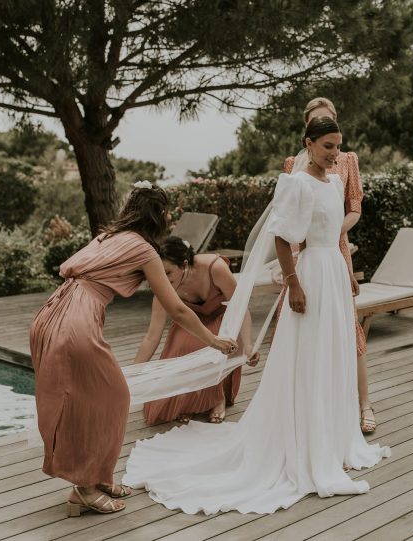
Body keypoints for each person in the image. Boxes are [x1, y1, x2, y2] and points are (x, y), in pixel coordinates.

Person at [123, 117, 390, 515]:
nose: (335, 154)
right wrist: (294, 283)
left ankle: (334, 442)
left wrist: (347, 274)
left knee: (334, 355)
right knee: (308, 356)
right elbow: (283, 238)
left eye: (338, 146)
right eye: (328, 146)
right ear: (309, 144)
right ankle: (305, 444)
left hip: (334, 272)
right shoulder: (296, 183)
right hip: (311, 274)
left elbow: (338, 236)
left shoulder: (335, 183)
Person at [29, 182, 237, 517]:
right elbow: (178, 309)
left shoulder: (108, 236)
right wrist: (213, 341)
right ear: (160, 216)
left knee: (100, 397)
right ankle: (84, 488)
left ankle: (98, 478)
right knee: (110, 399)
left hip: (53, 312)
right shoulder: (144, 250)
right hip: (76, 319)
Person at [281, 97, 375, 434]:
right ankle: (307, 412)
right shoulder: (294, 167)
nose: (333, 149)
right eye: (317, 121)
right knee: (309, 332)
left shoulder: (346, 161)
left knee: (348, 328)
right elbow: (289, 223)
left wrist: (333, 233)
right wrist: (292, 274)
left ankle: (363, 404)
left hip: (337, 253)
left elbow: (354, 206)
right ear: (308, 131)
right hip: (307, 256)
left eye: (329, 119)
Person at [136, 236, 259, 425]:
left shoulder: (214, 268)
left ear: (184, 264)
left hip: (222, 317)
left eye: (168, 272)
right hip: (190, 322)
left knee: (218, 343)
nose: (163, 280)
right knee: (183, 345)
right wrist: (134, 372)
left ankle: (217, 398)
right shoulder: (163, 288)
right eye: (159, 274)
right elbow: (152, 337)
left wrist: (248, 344)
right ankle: (190, 401)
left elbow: (241, 308)